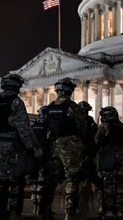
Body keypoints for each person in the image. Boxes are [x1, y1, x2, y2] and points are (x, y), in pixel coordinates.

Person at [0, 74, 41, 220]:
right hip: (13, 147)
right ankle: (13, 214)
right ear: (17, 87)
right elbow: (23, 128)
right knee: (15, 180)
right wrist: (31, 148)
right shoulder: (16, 102)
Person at [43, 78, 87, 220]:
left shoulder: (48, 108)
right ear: (70, 91)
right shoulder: (73, 107)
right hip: (70, 146)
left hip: (53, 146)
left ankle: (46, 209)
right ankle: (69, 212)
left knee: (51, 179)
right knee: (71, 178)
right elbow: (82, 127)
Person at [95, 107, 123, 219]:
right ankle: (120, 210)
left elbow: (97, 141)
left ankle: (109, 210)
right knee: (120, 186)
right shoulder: (122, 126)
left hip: (109, 157)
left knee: (108, 185)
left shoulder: (104, 126)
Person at [77, 101, 99, 218]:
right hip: (87, 154)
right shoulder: (90, 121)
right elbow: (96, 137)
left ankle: (73, 208)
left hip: (75, 153)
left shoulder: (74, 121)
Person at [30, 106, 48, 215]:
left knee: (34, 182)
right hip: (44, 157)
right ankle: (40, 207)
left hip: (34, 157)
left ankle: (34, 205)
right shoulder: (47, 126)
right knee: (42, 182)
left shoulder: (33, 126)